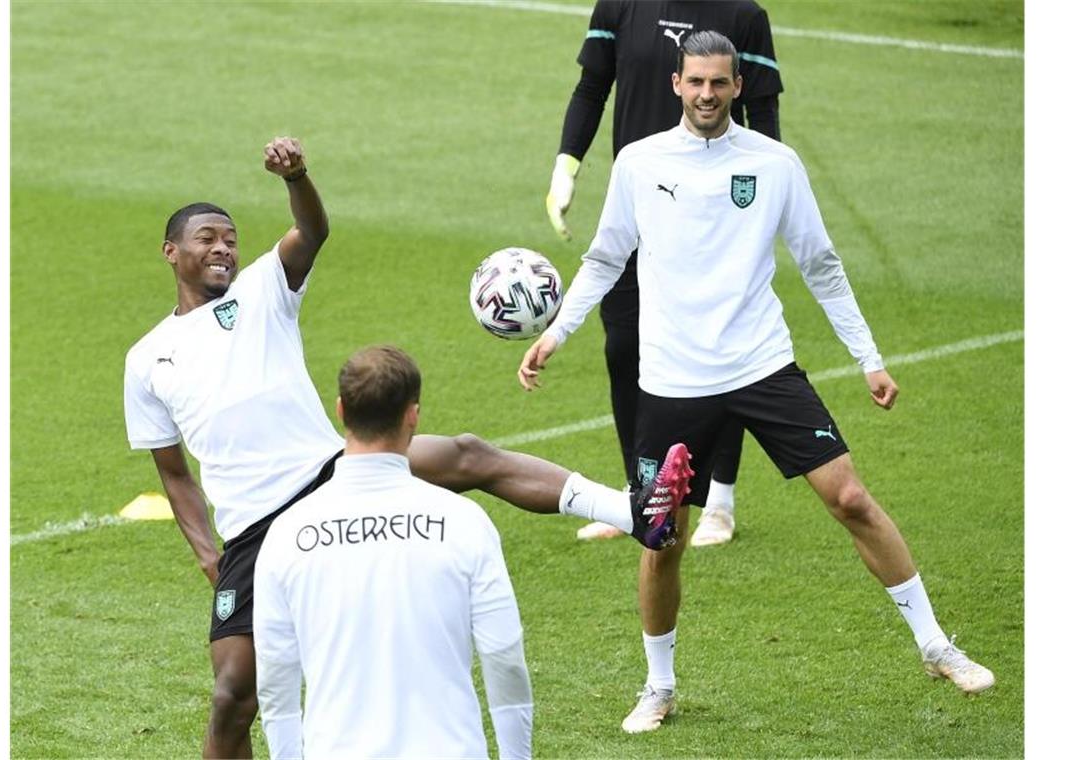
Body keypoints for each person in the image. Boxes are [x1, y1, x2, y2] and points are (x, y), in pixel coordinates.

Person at [122, 137, 691, 757]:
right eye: (208, 237)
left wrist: (298, 176)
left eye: (230, 237)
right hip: (251, 528)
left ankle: (634, 513)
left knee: (469, 455)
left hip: (331, 474)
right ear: (171, 251)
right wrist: (210, 558)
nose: (223, 247)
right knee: (235, 694)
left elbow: (312, 230)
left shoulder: (261, 290)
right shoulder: (147, 359)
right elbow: (174, 475)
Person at [519, 32, 994, 733]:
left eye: (720, 83)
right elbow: (603, 257)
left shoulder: (775, 165)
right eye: (696, 83)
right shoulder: (639, 162)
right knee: (662, 538)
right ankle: (659, 686)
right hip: (674, 381)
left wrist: (868, 357)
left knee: (853, 498)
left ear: (738, 87)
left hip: (762, 366)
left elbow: (821, 262)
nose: (707, 95)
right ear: (676, 83)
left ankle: (935, 645)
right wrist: (557, 332)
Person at [546, 0, 784, 546]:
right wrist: (567, 165)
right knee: (622, 345)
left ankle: (718, 501)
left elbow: (763, 117)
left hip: (716, 222)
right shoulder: (621, 5)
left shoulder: (744, 16)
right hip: (641, 210)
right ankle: (641, 495)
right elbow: (591, 88)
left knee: (723, 352)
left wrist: (765, 200)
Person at [254, 345, 533, 759]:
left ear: (341, 411)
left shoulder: (287, 533)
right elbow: (503, 657)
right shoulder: (463, 521)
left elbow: (276, 682)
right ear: (413, 415)